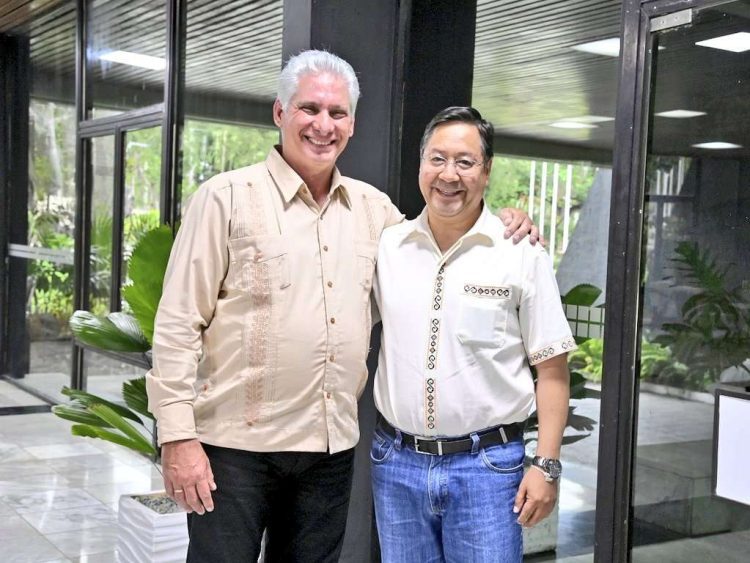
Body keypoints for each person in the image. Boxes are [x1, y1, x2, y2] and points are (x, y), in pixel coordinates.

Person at [146, 51, 537, 562]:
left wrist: (506, 220)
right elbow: (178, 325)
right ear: (280, 113)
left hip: (326, 455)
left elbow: (443, 241)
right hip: (234, 453)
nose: (322, 125)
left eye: (337, 113)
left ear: (351, 123)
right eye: (310, 108)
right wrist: (177, 440)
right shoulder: (225, 199)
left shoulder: (376, 212)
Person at [371, 106, 575, 563]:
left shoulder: (520, 253)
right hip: (397, 465)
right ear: (421, 164)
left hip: (486, 470)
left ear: (486, 171)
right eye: (437, 159)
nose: (449, 175)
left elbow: (554, 370)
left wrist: (546, 464)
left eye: (465, 162)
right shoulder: (388, 247)